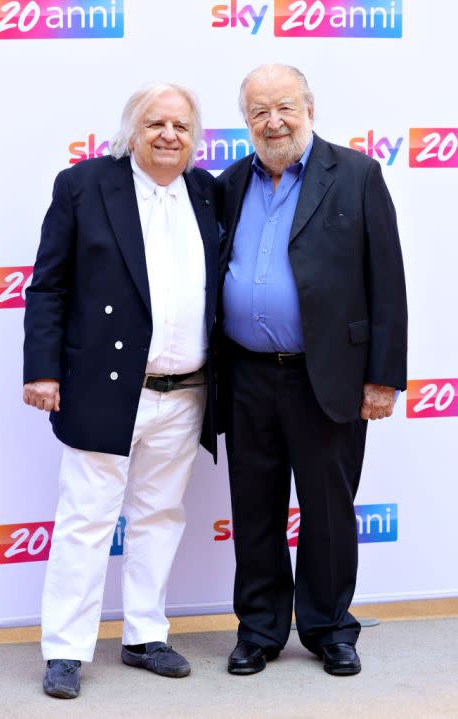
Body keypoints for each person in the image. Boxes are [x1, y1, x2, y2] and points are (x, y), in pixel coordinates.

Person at [23, 83, 219, 698]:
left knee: (160, 515)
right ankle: (65, 647)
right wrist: (42, 370)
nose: (168, 135)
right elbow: (47, 286)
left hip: (185, 392)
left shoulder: (207, 191)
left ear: (195, 138)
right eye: (156, 123)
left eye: (181, 127)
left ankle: (144, 635)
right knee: (86, 517)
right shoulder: (84, 186)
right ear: (132, 130)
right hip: (104, 389)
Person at [217, 64, 407, 677]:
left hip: (328, 377)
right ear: (245, 121)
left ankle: (329, 628)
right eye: (258, 112)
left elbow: (388, 284)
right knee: (254, 508)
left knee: (328, 509)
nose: (273, 122)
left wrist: (383, 378)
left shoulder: (355, 175)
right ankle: (260, 629)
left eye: (284, 107)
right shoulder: (227, 183)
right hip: (245, 376)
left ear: (309, 107)